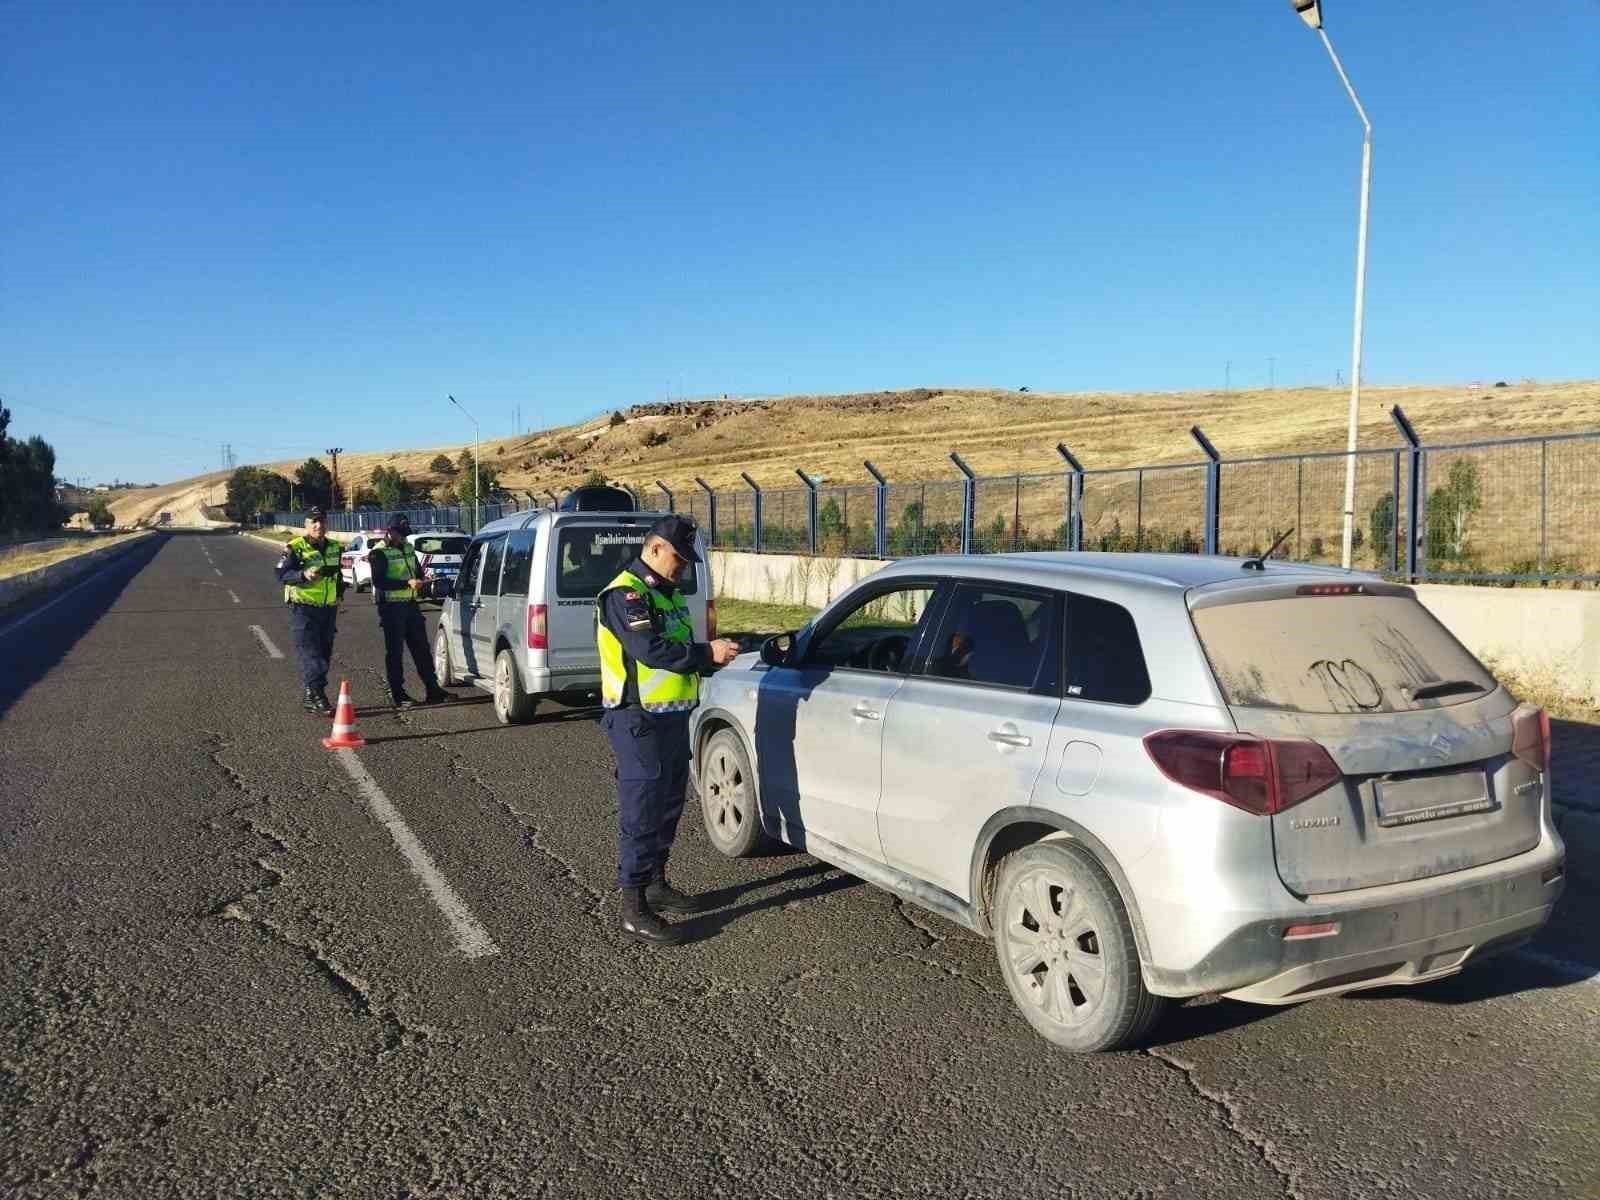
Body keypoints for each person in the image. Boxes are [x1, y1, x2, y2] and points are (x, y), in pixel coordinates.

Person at [596, 515, 740, 945]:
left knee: (669, 803)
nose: (683, 567)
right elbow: (649, 649)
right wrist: (706, 653)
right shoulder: (626, 594)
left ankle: (656, 882)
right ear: (655, 548)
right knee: (641, 809)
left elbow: (675, 649)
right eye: (678, 558)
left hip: (672, 716)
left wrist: (706, 658)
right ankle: (634, 905)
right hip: (638, 720)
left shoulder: (665, 593)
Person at [367, 515, 450, 708]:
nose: (403, 537)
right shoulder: (379, 552)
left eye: (405, 534)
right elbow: (379, 582)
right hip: (391, 608)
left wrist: (422, 579)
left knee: (421, 648)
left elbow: (417, 572)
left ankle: (432, 689)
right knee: (395, 653)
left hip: (411, 605)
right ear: (390, 531)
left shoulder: (408, 548)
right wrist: (406, 583)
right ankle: (399, 694)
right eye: (400, 533)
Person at [274, 506, 346, 715]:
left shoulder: (334, 547)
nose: (318, 525)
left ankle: (310, 695)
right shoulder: (295, 547)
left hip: (328, 609)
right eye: (313, 521)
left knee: (324, 653)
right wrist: (303, 575)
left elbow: (338, 574)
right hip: (303, 608)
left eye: (321, 521)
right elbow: (280, 574)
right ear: (306, 525)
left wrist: (339, 594)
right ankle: (318, 694)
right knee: (312, 654)